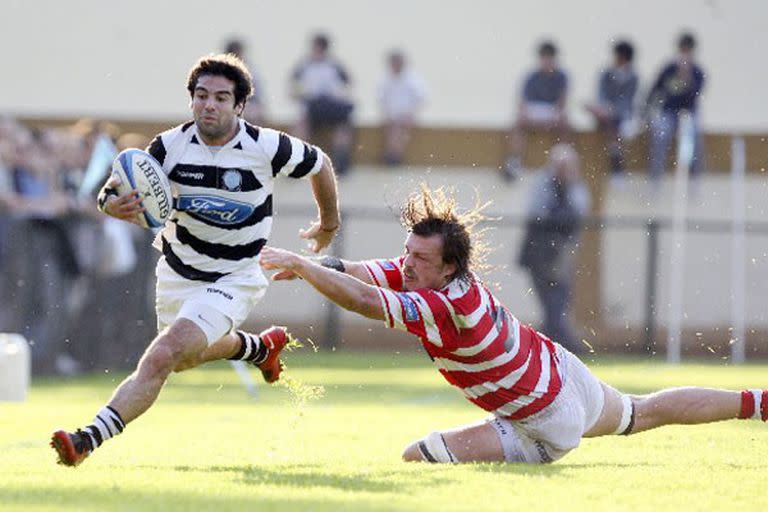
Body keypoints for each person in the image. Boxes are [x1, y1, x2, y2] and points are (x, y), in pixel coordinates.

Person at [259, 184, 766, 464]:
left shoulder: (449, 306)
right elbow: (358, 273)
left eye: (418, 257)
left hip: (542, 423)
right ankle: (758, 403)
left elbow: (368, 302)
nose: (406, 264)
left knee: (417, 456)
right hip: (565, 374)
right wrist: (307, 268)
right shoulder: (427, 276)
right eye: (406, 252)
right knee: (641, 411)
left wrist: (303, 267)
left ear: (449, 267)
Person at [50, 53, 341, 467]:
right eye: (202, 95)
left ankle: (86, 439)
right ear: (191, 101)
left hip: (237, 274)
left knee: (163, 353)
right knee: (182, 358)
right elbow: (110, 190)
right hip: (178, 270)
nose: (210, 104)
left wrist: (329, 222)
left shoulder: (266, 146)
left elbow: (321, 163)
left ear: (239, 106)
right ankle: (257, 348)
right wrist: (110, 204)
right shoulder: (168, 147)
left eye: (222, 98)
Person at [518, 144, 589, 354]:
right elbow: (538, 215)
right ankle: (559, 346)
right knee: (550, 304)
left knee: (558, 303)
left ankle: (553, 347)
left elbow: (576, 216)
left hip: (560, 255)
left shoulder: (577, 188)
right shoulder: (542, 184)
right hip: (538, 254)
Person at [646, 32, 705, 193]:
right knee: (660, 135)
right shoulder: (669, 68)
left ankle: (693, 179)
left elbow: (694, 97)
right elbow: (655, 89)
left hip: (688, 113)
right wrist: (647, 111)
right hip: (668, 112)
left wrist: (686, 77)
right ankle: (655, 179)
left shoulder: (697, 72)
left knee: (692, 137)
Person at [504, 40, 569, 182]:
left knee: (564, 123)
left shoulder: (561, 77)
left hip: (552, 111)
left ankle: (561, 162)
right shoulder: (531, 77)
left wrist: (555, 115)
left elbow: (562, 102)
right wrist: (526, 114)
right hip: (534, 110)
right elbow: (522, 102)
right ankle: (514, 161)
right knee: (518, 122)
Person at [290, 33, 354, 175]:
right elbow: (293, 86)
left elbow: (348, 85)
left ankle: (341, 162)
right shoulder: (304, 66)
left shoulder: (335, 66)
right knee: (301, 124)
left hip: (331, 107)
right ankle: (295, 161)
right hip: (311, 107)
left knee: (343, 126)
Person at [585, 40, 638, 184]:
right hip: (605, 115)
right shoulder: (606, 73)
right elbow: (601, 95)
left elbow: (629, 102)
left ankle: (616, 163)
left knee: (617, 125)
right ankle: (608, 159)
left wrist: (612, 110)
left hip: (624, 117)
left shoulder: (633, 77)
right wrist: (603, 108)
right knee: (605, 121)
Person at [377, 50, 427, 166]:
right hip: (391, 115)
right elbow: (381, 99)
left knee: (399, 129)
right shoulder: (385, 79)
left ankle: (395, 155)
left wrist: (411, 113)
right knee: (392, 129)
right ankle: (393, 154)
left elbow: (421, 98)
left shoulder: (413, 80)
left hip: (407, 114)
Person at [223, 37, 266, 125]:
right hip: (226, 103)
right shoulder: (220, 71)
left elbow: (258, 93)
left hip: (248, 104)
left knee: (253, 113)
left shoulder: (250, 70)